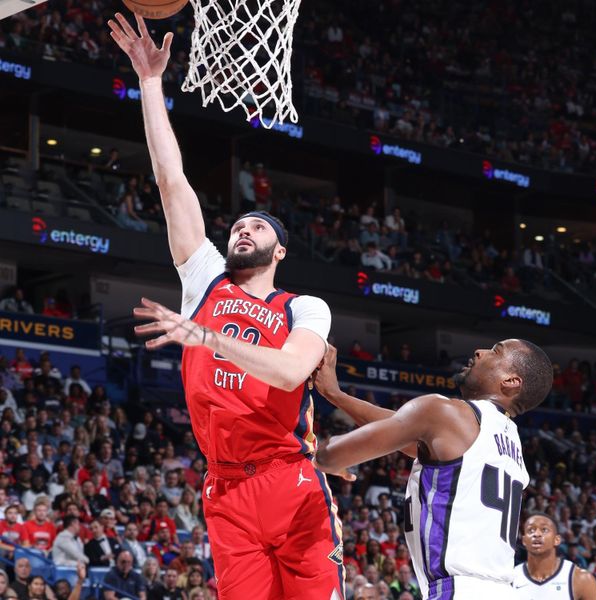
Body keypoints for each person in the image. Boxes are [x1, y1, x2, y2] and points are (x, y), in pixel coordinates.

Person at [109, 12, 342, 599]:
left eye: (256, 226)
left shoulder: (304, 308)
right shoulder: (206, 281)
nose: (243, 230)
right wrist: (150, 83)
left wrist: (205, 337)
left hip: (289, 481)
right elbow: (171, 181)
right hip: (225, 490)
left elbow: (291, 370)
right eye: (237, 224)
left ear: (279, 249)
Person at [314, 340, 553, 599]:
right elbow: (402, 430)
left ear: (510, 381)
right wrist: (335, 394)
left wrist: (327, 458)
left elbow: (328, 456)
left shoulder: (444, 412)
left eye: (495, 351)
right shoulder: (510, 442)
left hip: (458, 589)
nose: (479, 351)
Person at [512, 513, 596, 600]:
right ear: (524, 541)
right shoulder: (510, 578)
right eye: (531, 530)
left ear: (556, 540)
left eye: (544, 530)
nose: (536, 534)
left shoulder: (582, 579)